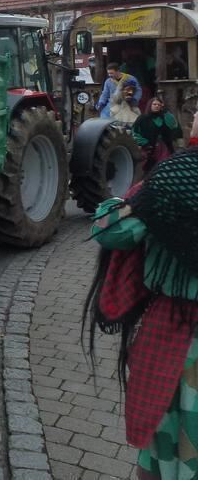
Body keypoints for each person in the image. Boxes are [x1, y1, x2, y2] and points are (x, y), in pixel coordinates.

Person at [84, 149, 198, 480]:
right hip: (170, 334)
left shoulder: (168, 182)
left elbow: (109, 231)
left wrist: (142, 202)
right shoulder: (172, 178)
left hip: (167, 332)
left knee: (162, 433)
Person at [132, 95, 183, 173]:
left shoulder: (164, 117)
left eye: (159, 105)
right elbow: (135, 133)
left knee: (164, 168)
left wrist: (165, 112)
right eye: (154, 104)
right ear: (150, 105)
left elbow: (174, 125)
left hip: (163, 148)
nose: (157, 106)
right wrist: (145, 143)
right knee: (147, 171)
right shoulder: (142, 118)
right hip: (147, 149)